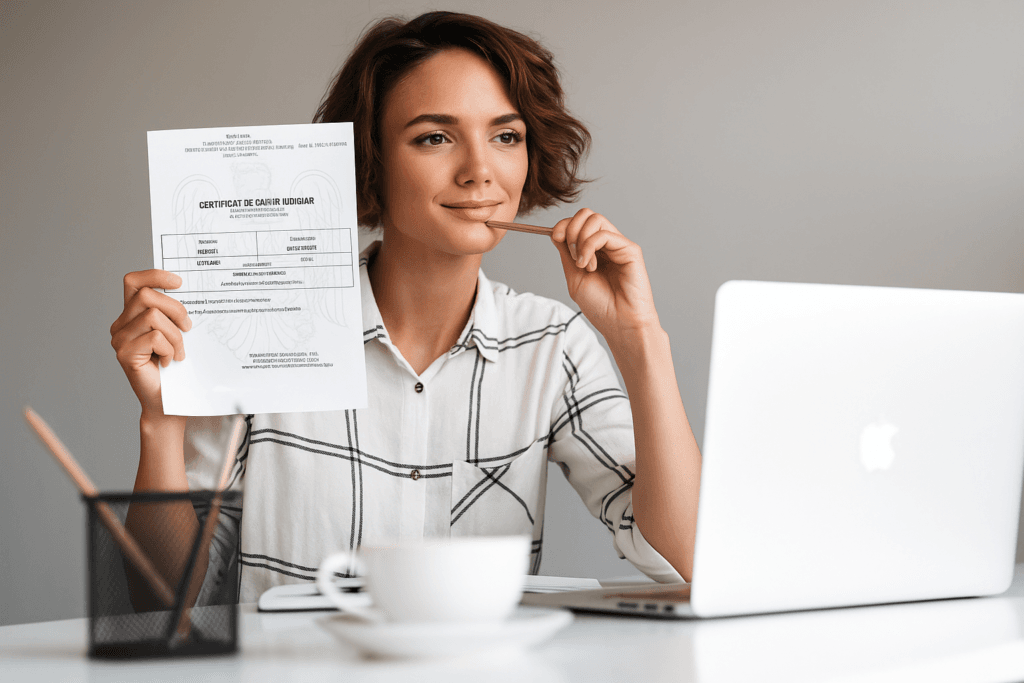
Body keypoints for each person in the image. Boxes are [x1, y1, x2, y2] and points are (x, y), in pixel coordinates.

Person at [110, 11, 702, 605]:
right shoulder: (263, 325)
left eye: (506, 136)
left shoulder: (552, 344)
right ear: (371, 159)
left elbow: (685, 558)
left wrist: (640, 339)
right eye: (434, 137)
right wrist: (161, 424)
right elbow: (167, 601)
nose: (479, 172)